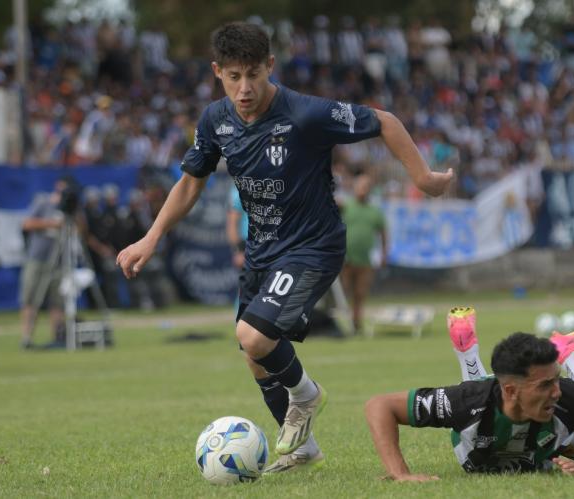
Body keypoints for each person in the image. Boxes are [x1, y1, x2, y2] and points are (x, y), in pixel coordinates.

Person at [116, 22, 453, 473]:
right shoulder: (215, 120)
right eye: (234, 77)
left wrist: (423, 177)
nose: (245, 88)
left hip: (314, 246)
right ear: (217, 72)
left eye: (253, 74)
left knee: (254, 337)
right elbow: (191, 183)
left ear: (270, 66)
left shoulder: (305, 113)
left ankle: (307, 395)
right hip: (263, 251)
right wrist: (151, 237)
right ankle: (303, 449)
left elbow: (385, 121)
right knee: (254, 357)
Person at [364, 307, 574, 480]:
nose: (556, 392)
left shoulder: (568, 397)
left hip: (553, 442)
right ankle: (563, 357)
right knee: (477, 400)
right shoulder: (468, 402)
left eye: (556, 380)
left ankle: (571, 359)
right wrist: (400, 474)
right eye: (544, 385)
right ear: (511, 390)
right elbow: (379, 405)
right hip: (483, 415)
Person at [19, 178, 70, 349]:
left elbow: (81, 231)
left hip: (59, 261)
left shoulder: (69, 208)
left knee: (57, 302)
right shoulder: (44, 202)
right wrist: (52, 224)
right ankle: (26, 337)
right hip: (38, 258)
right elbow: (26, 223)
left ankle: (57, 337)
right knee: (31, 298)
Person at [340, 172, 387, 334]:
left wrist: (384, 254)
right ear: (354, 187)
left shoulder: (375, 211)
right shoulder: (345, 206)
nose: (363, 189)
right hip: (345, 259)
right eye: (360, 186)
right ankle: (340, 323)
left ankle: (356, 323)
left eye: (366, 187)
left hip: (365, 260)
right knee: (343, 292)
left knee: (360, 294)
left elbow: (383, 233)